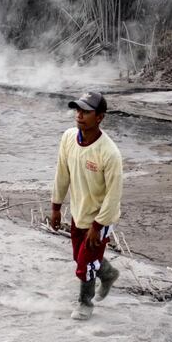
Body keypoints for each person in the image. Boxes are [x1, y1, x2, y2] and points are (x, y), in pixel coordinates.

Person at [50, 92, 123, 320]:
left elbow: (113, 196)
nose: (79, 116)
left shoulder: (109, 153)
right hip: (78, 212)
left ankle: (85, 303)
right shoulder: (68, 138)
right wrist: (56, 207)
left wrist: (98, 225)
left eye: (86, 112)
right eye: (77, 110)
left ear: (99, 117)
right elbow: (62, 174)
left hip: (100, 218)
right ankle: (108, 273)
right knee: (79, 257)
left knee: (85, 263)